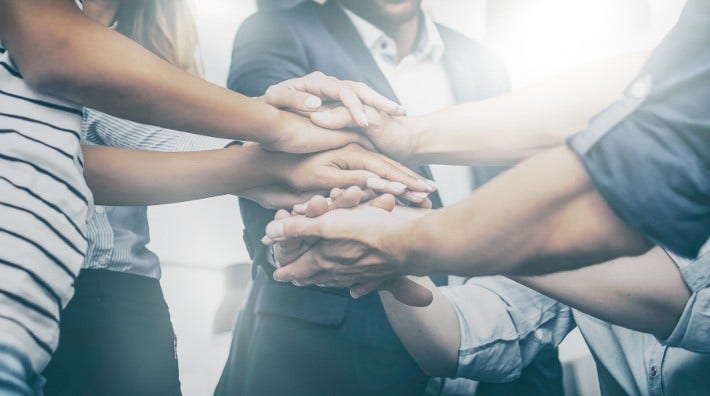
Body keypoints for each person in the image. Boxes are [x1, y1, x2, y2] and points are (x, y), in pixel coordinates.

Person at [0, 0, 429, 393]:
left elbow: (89, 148)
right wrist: (272, 130)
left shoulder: (154, 30)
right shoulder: (41, 29)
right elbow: (58, 63)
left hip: (118, 297)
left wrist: (264, 150)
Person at [216, 0, 563, 395]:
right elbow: (273, 164)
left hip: (502, 358)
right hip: (337, 359)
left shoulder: (484, 62)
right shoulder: (277, 30)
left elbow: (524, 193)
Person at [263, 0, 710, 295]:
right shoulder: (283, 30)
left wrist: (407, 237)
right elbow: (640, 89)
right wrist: (407, 135)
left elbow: (617, 187)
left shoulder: (480, 60)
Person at [280, 187, 710, 395]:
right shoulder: (598, 204)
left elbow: (684, 304)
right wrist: (390, 266)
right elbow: (460, 341)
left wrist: (417, 235)